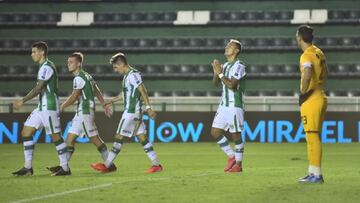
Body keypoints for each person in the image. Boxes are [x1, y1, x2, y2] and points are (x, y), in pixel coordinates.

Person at [91, 52, 162, 173]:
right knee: (142, 137)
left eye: (115, 67)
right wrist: (111, 101)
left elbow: (142, 89)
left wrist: (148, 107)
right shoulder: (127, 76)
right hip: (133, 112)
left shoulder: (133, 75)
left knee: (119, 136)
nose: (115, 70)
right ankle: (156, 165)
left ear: (121, 64)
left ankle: (107, 165)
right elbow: (125, 95)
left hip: (131, 112)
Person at [46, 52, 115, 173]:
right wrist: (103, 103)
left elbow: (74, 97)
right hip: (84, 112)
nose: (68, 64)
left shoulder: (79, 78)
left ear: (78, 64)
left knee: (95, 139)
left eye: (71, 62)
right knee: (70, 139)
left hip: (84, 111)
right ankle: (64, 166)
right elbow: (96, 89)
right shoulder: (86, 75)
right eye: (68, 62)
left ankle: (110, 164)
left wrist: (62, 106)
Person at [12, 41, 70, 176]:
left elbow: (39, 88)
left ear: (42, 52)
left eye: (34, 52)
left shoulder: (47, 67)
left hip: (49, 107)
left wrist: (22, 101)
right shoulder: (43, 66)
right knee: (26, 131)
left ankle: (65, 168)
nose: (32, 54)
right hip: (42, 107)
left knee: (56, 137)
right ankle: (28, 167)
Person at [296, 25, 328, 183]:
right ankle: (312, 171)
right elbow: (326, 71)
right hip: (320, 94)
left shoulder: (306, 55)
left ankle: (316, 174)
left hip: (312, 99)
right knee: (313, 136)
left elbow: (307, 73)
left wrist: (303, 91)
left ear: (299, 38)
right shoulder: (318, 52)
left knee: (312, 136)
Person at [211, 39, 246, 173]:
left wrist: (220, 73)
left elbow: (232, 85)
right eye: (227, 45)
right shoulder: (225, 65)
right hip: (223, 105)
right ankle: (231, 157)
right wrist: (216, 71)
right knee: (215, 132)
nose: (227, 47)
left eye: (230, 46)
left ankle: (238, 164)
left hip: (234, 105)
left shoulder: (239, 65)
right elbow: (215, 84)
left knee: (235, 135)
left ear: (236, 51)